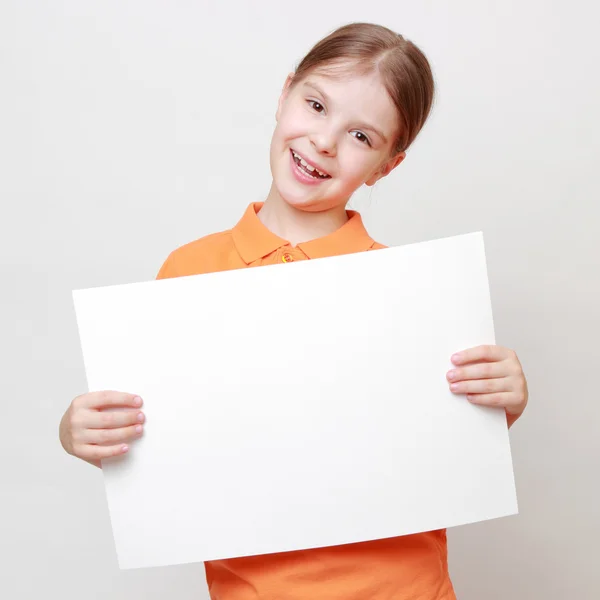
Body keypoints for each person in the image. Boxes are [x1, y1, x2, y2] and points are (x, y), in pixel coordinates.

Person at [59, 22, 529, 600]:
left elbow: (445, 436)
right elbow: (157, 441)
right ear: (284, 96)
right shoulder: (187, 272)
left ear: (388, 164)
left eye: (361, 136)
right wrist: (80, 430)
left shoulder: (415, 298)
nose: (325, 141)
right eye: (315, 105)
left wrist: (502, 401)